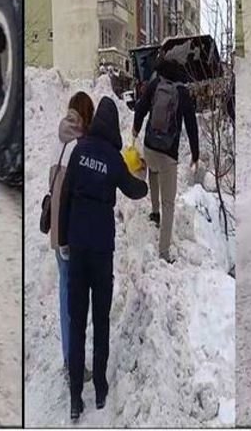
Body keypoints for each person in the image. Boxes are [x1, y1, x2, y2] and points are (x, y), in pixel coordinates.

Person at [59, 96, 148, 421]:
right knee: (100, 320)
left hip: (79, 247)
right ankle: (99, 388)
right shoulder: (112, 158)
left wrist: (65, 240)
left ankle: (73, 399)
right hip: (101, 251)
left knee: (77, 320)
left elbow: (66, 194)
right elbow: (132, 189)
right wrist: (145, 177)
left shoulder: (80, 150)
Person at [131, 59, 199, 263]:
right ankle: (163, 253)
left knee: (152, 170)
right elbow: (192, 125)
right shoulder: (183, 93)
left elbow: (141, 108)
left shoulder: (155, 85)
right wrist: (195, 154)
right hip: (169, 153)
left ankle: (154, 212)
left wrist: (135, 128)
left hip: (150, 146)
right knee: (168, 203)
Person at [47, 91, 94, 383]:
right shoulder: (78, 146)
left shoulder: (59, 141)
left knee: (66, 297)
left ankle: (68, 359)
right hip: (70, 236)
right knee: (74, 304)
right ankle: (73, 365)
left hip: (56, 233)